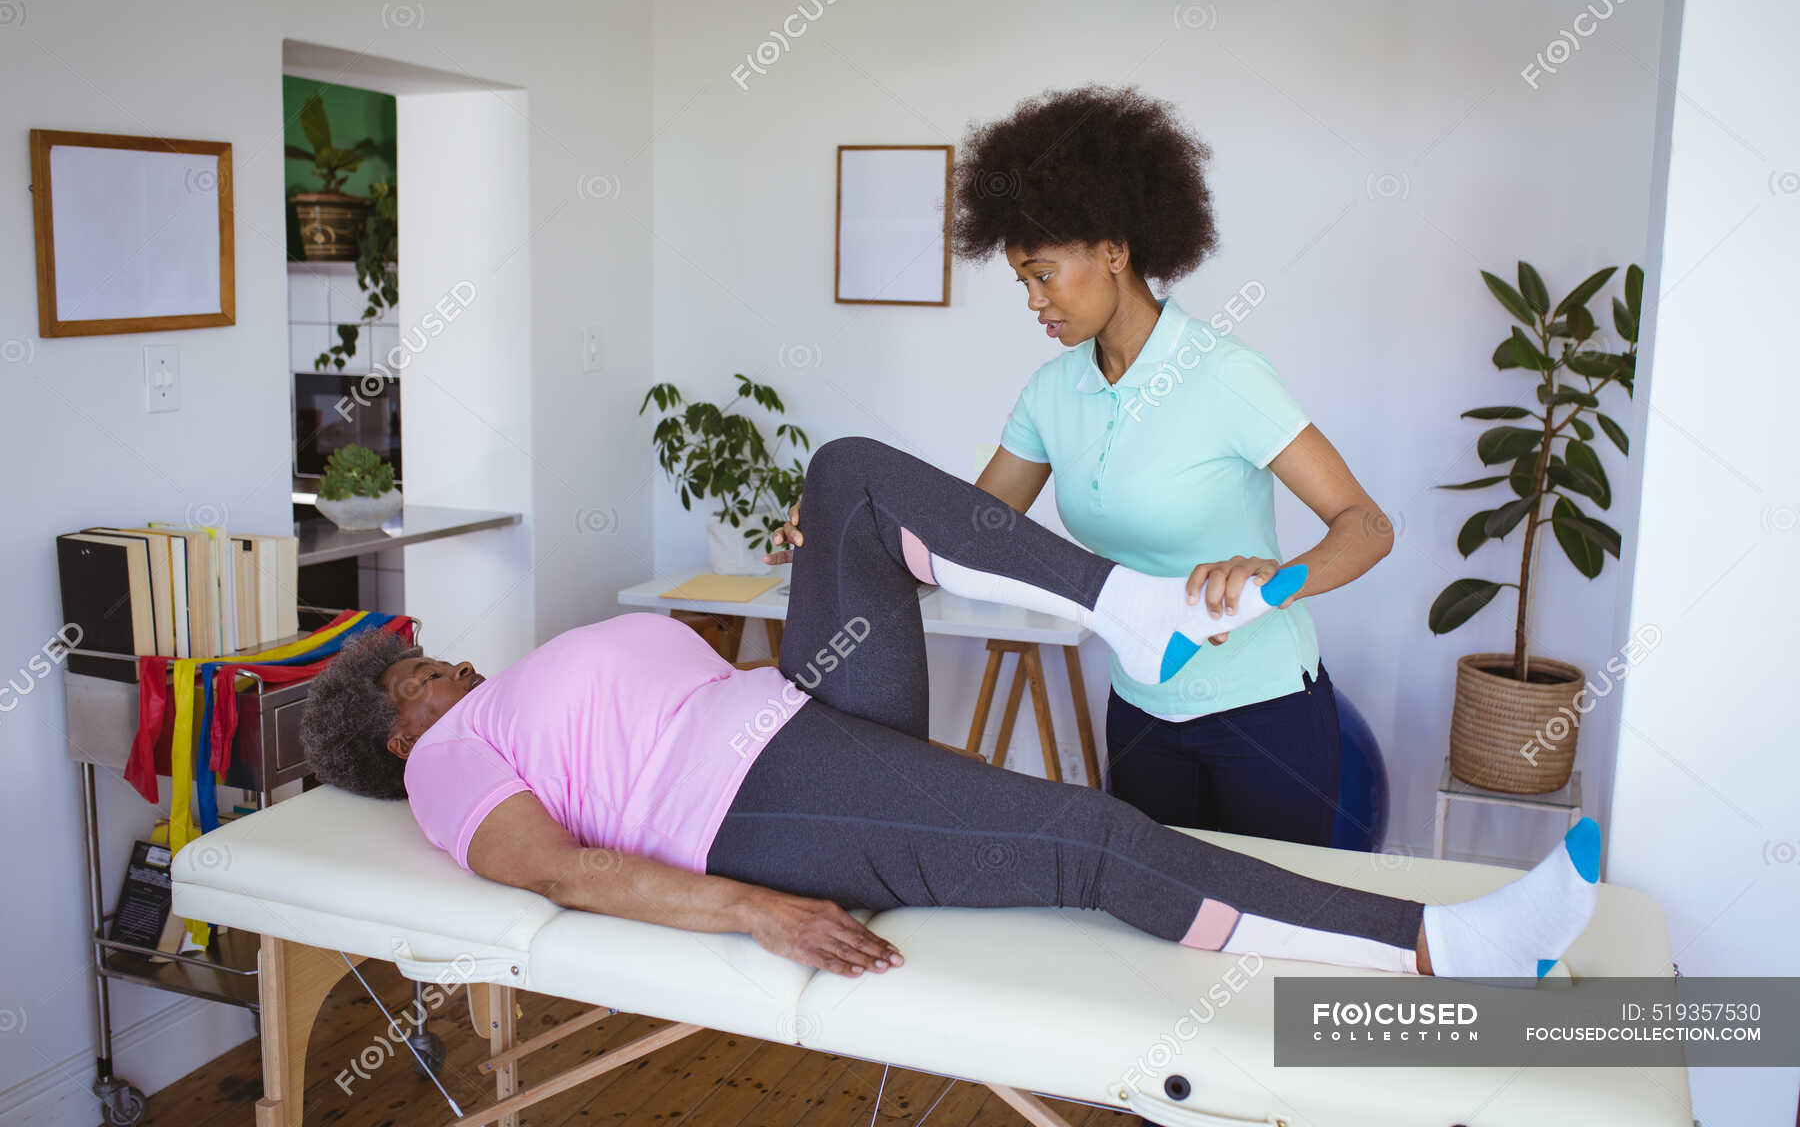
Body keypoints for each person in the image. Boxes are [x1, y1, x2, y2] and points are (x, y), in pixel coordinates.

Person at [301, 436, 1599, 985]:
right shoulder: (447, 765)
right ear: (396, 726)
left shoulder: (505, 694)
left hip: (796, 717)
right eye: (420, 673)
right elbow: (570, 874)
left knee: (851, 478)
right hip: (753, 806)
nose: (448, 669)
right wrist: (756, 911)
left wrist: (822, 559)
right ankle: (1442, 949)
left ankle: (1134, 608)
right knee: (1092, 836)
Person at [769, 86, 1391, 848]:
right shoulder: (1051, 392)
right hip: (1140, 706)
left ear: (1114, 251)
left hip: (1264, 711)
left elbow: (1365, 525)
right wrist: (843, 524)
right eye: (1023, 283)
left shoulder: (1224, 375)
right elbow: (967, 532)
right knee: (1162, 928)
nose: (1033, 301)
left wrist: (1275, 576)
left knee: (1272, 932)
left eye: (1043, 274)